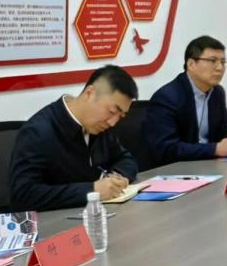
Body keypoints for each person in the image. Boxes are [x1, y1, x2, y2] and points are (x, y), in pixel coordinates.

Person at [9, 65, 138, 212]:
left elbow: (126, 159)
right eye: (112, 111)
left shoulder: (100, 126)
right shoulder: (38, 131)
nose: (113, 122)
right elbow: (22, 195)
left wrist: (116, 178)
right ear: (90, 93)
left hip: (95, 214)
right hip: (54, 221)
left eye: (120, 116)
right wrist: (92, 190)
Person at [143, 35, 227, 164]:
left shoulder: (217, 93)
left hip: (208, 165)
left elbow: (226, 126)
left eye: (223, 62)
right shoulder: (167, 97)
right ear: (191, 64)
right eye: (213, 60)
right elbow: (167, 149)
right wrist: (215, 149)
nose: (220, 68)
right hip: (177, 169)